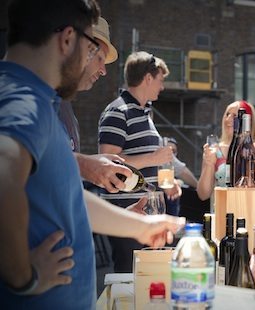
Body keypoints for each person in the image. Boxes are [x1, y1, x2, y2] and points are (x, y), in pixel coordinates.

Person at [0, 1, 184, 309]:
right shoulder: (23, 99)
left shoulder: (35, 100)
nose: (93, 62)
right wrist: (25, 277)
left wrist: (143, 227)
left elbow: (68, 195)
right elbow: (4, 182)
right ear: (68, 39)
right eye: (90, 49)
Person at [98, 51, 185, 272]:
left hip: (144, 214)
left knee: (146, 280)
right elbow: (106, 163)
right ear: (148, 78)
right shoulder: (118, 111)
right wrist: (153, 158)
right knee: (130, 279)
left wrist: (164, 180)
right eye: (160, 80)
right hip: (126, 214)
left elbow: (143, 163)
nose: (162, 87)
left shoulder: (144, 113)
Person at [59, 16, 133, 193]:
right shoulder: (31, 96)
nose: (104, 71)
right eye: (99, 57)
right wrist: (84, 164)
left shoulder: (63, 105)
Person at [197, 100, 255, 201]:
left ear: (246, 120)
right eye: (227, 114)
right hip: (221, 211)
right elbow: (203, 194)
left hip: (248, 209)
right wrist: (209, 164)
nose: (228, 119)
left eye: (235, 116)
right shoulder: (214, 150)